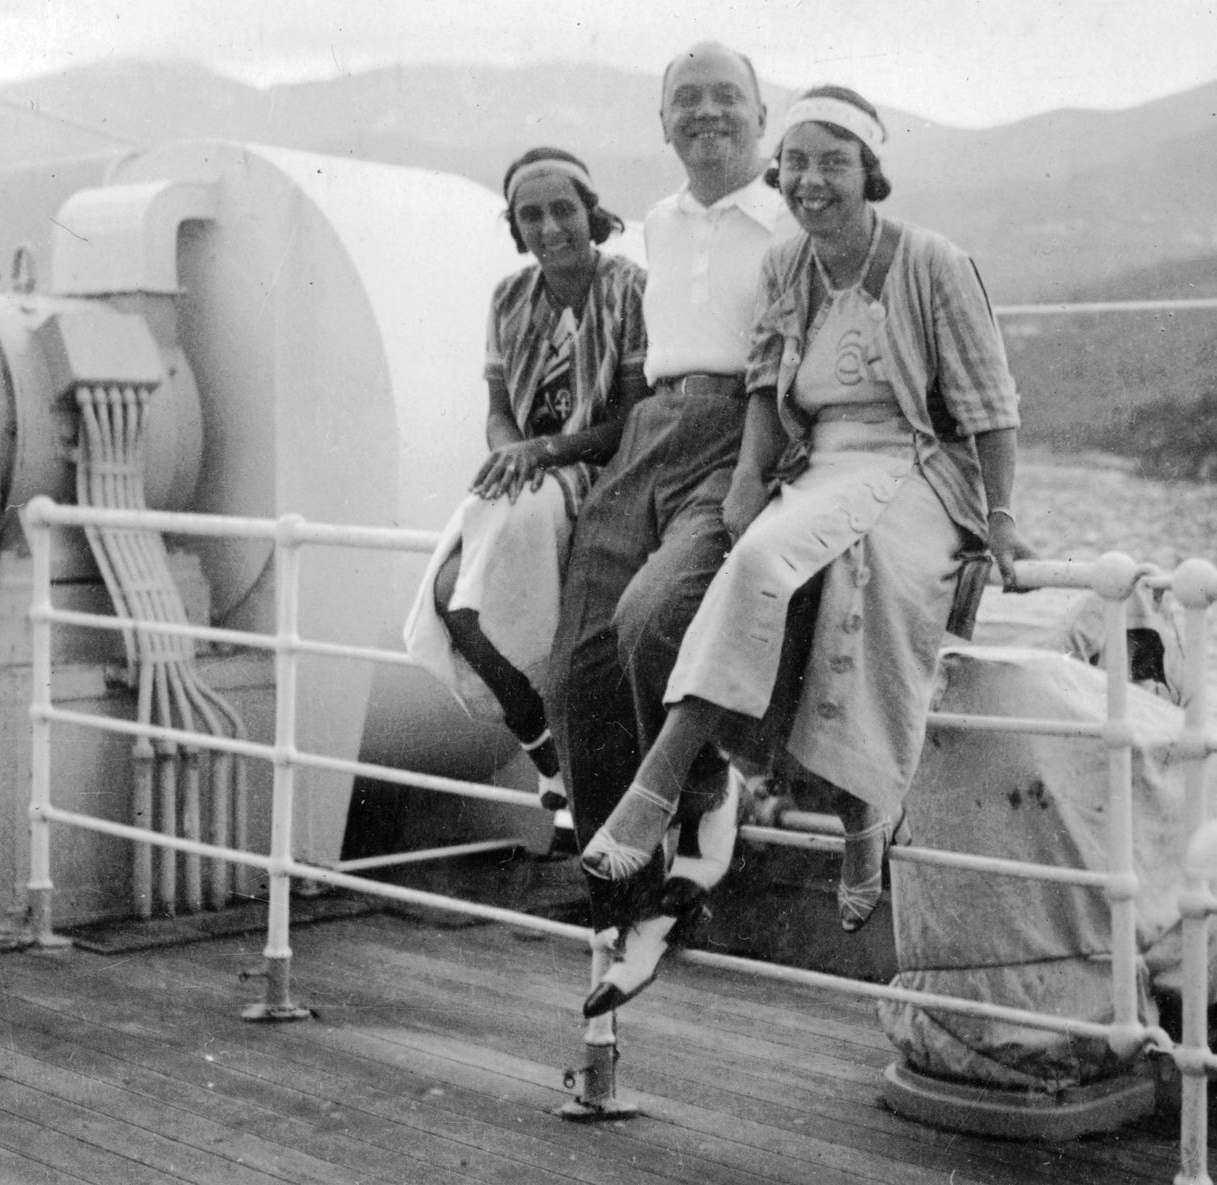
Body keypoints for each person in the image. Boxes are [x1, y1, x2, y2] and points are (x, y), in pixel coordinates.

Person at [582, 84, 1034, 941]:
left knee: (865, 581)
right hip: (823, 462)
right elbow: (764, 376)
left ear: (870, 172)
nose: (811, 181)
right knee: (759, 558)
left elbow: (991, 404)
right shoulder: (788, 263)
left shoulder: (932, 261)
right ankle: (721, 795)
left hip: (918, 466)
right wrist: (750, 476)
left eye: (834, 162)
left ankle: (814, 807)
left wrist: (1002, 516)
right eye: (795, 163)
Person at [544, 44, 798, 1032]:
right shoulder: (656, 221)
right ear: (661, 124)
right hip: (652, 428)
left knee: (655, 620)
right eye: (683, 101)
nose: (704, 114)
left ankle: (704, 789)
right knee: (576, 666)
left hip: (741, 431)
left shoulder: (789, 220)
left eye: (724, 98)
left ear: (760, 115)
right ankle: (632, 911)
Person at [405, 148, 647, 812]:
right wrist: (512, 449)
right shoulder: (509, 296)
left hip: (600, 469)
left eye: (562, 209)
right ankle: (545, 752)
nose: (547, 228)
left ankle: (567, 760)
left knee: (525, 606)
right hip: (527, 469)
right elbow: (498, 412)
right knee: (454, 597)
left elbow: (631, 419)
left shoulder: (630, 289)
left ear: (591, 215)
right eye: (530, 214)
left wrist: (544, 451)